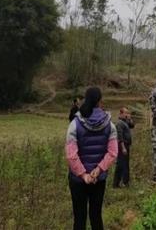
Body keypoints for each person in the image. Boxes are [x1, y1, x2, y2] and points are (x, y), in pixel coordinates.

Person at [65, 87, 118, 230]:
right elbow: (113, 152)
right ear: (100, 101)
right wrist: (98, 170)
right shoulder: (110, 125)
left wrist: (83, 174)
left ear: (85, 100)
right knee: (96, 215)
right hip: (98, 179)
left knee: (79, 218)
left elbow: (71, 155)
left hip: (77, 180)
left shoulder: (74, 124)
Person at [113, 107, 135, 188]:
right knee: (121, 164)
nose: (127, 115)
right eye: (125, 113)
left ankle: (125, 182)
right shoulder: (119, 123)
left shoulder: (125, 122)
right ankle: (117, 183)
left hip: (127, 145)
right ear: (121, 114)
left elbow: (132, 126)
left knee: (125, 164)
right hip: (122, 146)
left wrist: (130, 119)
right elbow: (120, 137)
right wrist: (123, 147)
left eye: (127, 113)